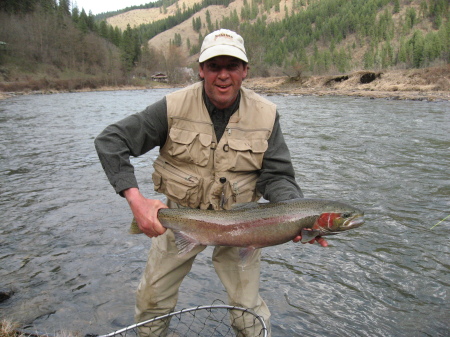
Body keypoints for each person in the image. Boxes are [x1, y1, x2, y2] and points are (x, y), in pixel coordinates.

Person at [95, 28, 327, 337]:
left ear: (245, 70)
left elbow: (278, 176)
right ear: (201, 70)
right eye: (214, 66)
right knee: (152, 301)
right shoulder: (171, 107)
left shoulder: (266, 115)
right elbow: (111, 141)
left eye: (231, 66)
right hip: (180, 218)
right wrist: (136, 200)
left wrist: (294, 215)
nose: (223, 75)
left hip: (244, 226)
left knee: (247, 312)